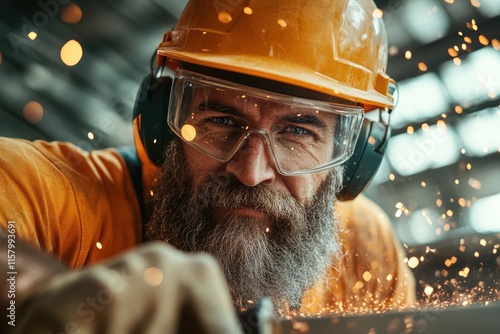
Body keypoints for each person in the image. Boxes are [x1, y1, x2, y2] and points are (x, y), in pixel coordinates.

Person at [0, 0, 416, 332]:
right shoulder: (58, 197)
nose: (252, 172)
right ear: (164, 121)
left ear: (355, 156)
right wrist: (36, 293)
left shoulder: (364, 250)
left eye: (298, 132)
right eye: (221, 121)